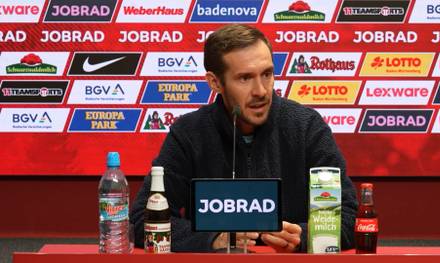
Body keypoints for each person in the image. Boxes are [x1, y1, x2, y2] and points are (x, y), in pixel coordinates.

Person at [130, 24, 357, 252]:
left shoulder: (306, 126)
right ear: (215, 82)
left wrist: (304, 237)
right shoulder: (189, 133)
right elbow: (141, 219)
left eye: (267, 74)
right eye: (245, 78)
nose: (261, 90)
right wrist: (211, 240)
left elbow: (349, 220)